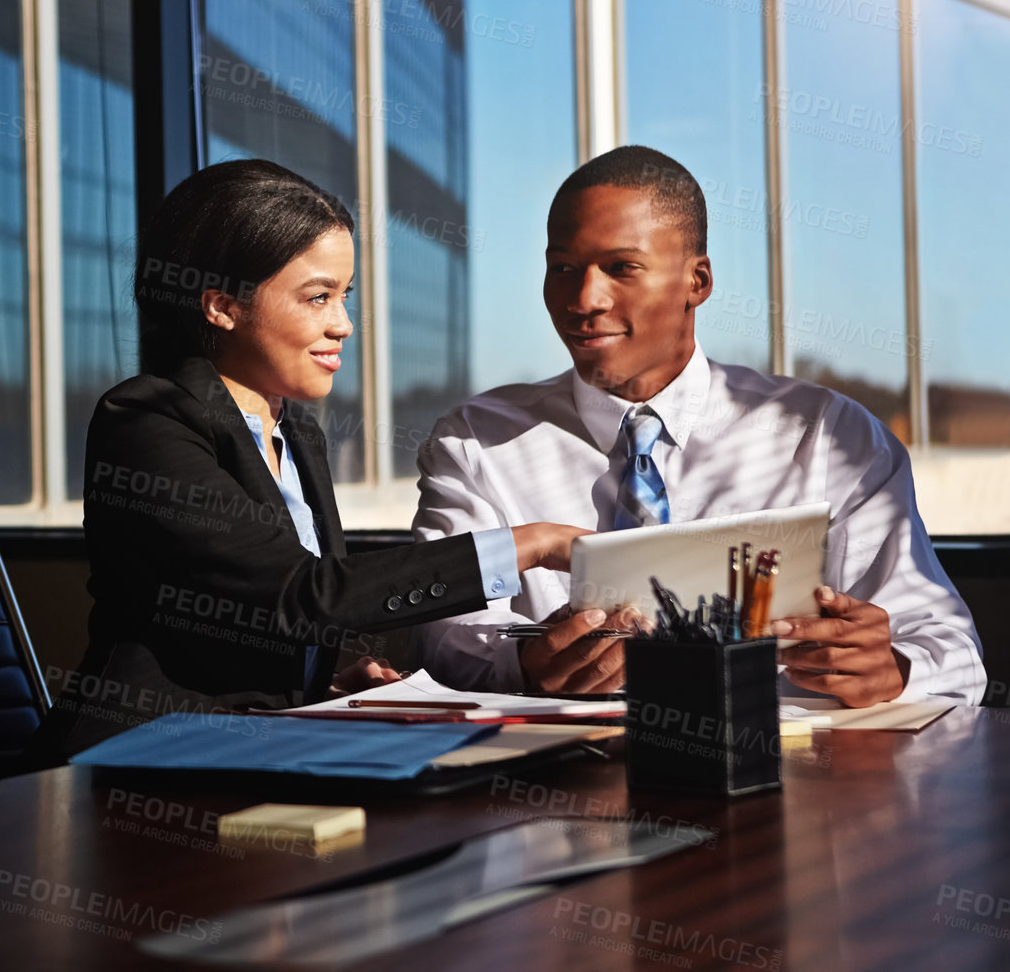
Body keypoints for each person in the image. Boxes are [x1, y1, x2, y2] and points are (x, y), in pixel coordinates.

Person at [32, 159, 585, 760]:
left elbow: (273, 625)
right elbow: (297, 595)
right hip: (139, 763)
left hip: (256, 747)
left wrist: (322, 686)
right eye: (317, 297)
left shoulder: (295, 431)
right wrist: (524, 545)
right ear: (222, 306)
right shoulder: (147, 420)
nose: (343, 324)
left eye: (344, 296)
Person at [409, 145, 985, 707]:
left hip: (790, 781)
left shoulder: (829, 438)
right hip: (562, 784)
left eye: (621, 268)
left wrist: (891, 671)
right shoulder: (476, 443)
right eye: (563, 268)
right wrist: (522, 668)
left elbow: (954, 652)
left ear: (698, 282)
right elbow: (442, 637)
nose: (584, 298)